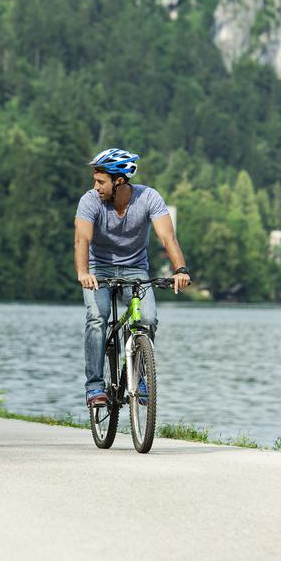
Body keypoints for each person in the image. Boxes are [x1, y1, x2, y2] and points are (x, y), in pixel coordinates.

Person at [74, 148, 191, 406]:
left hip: (136, 269)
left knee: (147, 319)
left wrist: (180, 269)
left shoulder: (148, 197)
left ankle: (137, 373)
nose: (95, 187)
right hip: (98, 268)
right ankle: (94, 386)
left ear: (120, 181)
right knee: (97, 318)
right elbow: (82, 239)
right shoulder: (90, 201)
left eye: (101, 181)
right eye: (95, 180)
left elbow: (167, 237)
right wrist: (83, 273)